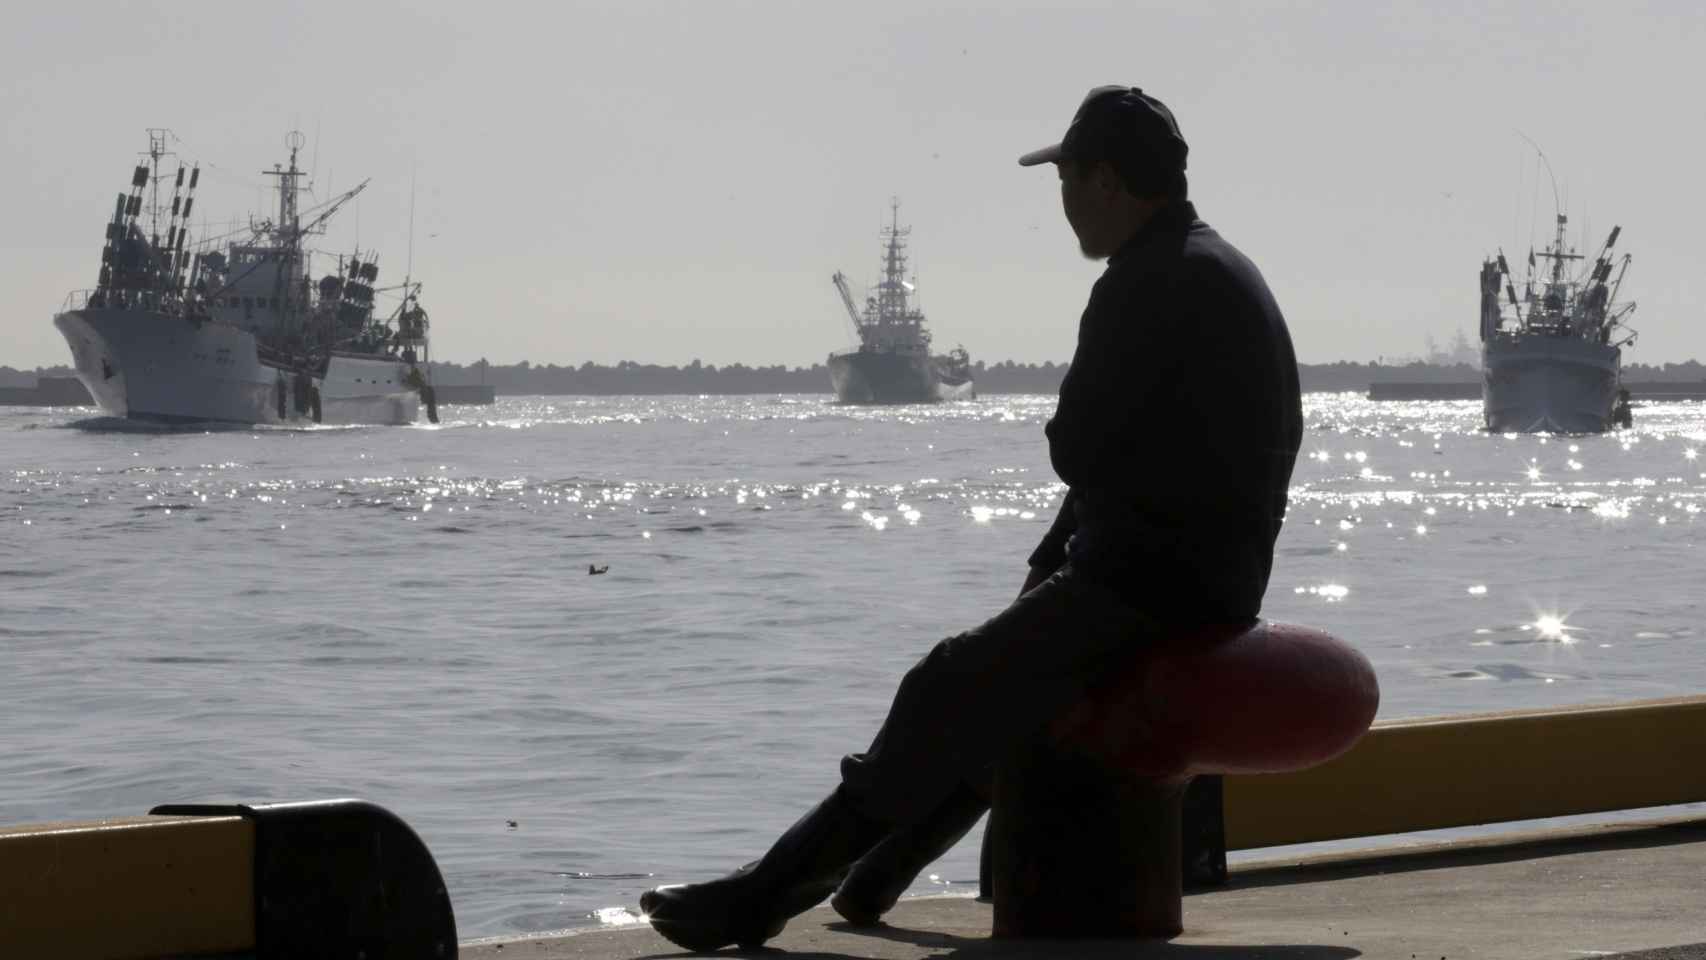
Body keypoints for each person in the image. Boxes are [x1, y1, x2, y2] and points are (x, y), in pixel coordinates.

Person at [638, 85, 1303, 951]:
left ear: (1106, 182)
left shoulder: (1145, 282)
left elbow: (1076, 449)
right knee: (1004, 687)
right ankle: (880, 868)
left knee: (947, 682)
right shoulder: (1214, 265)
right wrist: (1048, 568)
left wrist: (1063, 561)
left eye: (1067, 180)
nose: (1062, 203)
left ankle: (765, 894)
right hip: (1215, 575)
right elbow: (1139, 461)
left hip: (1160, 584)